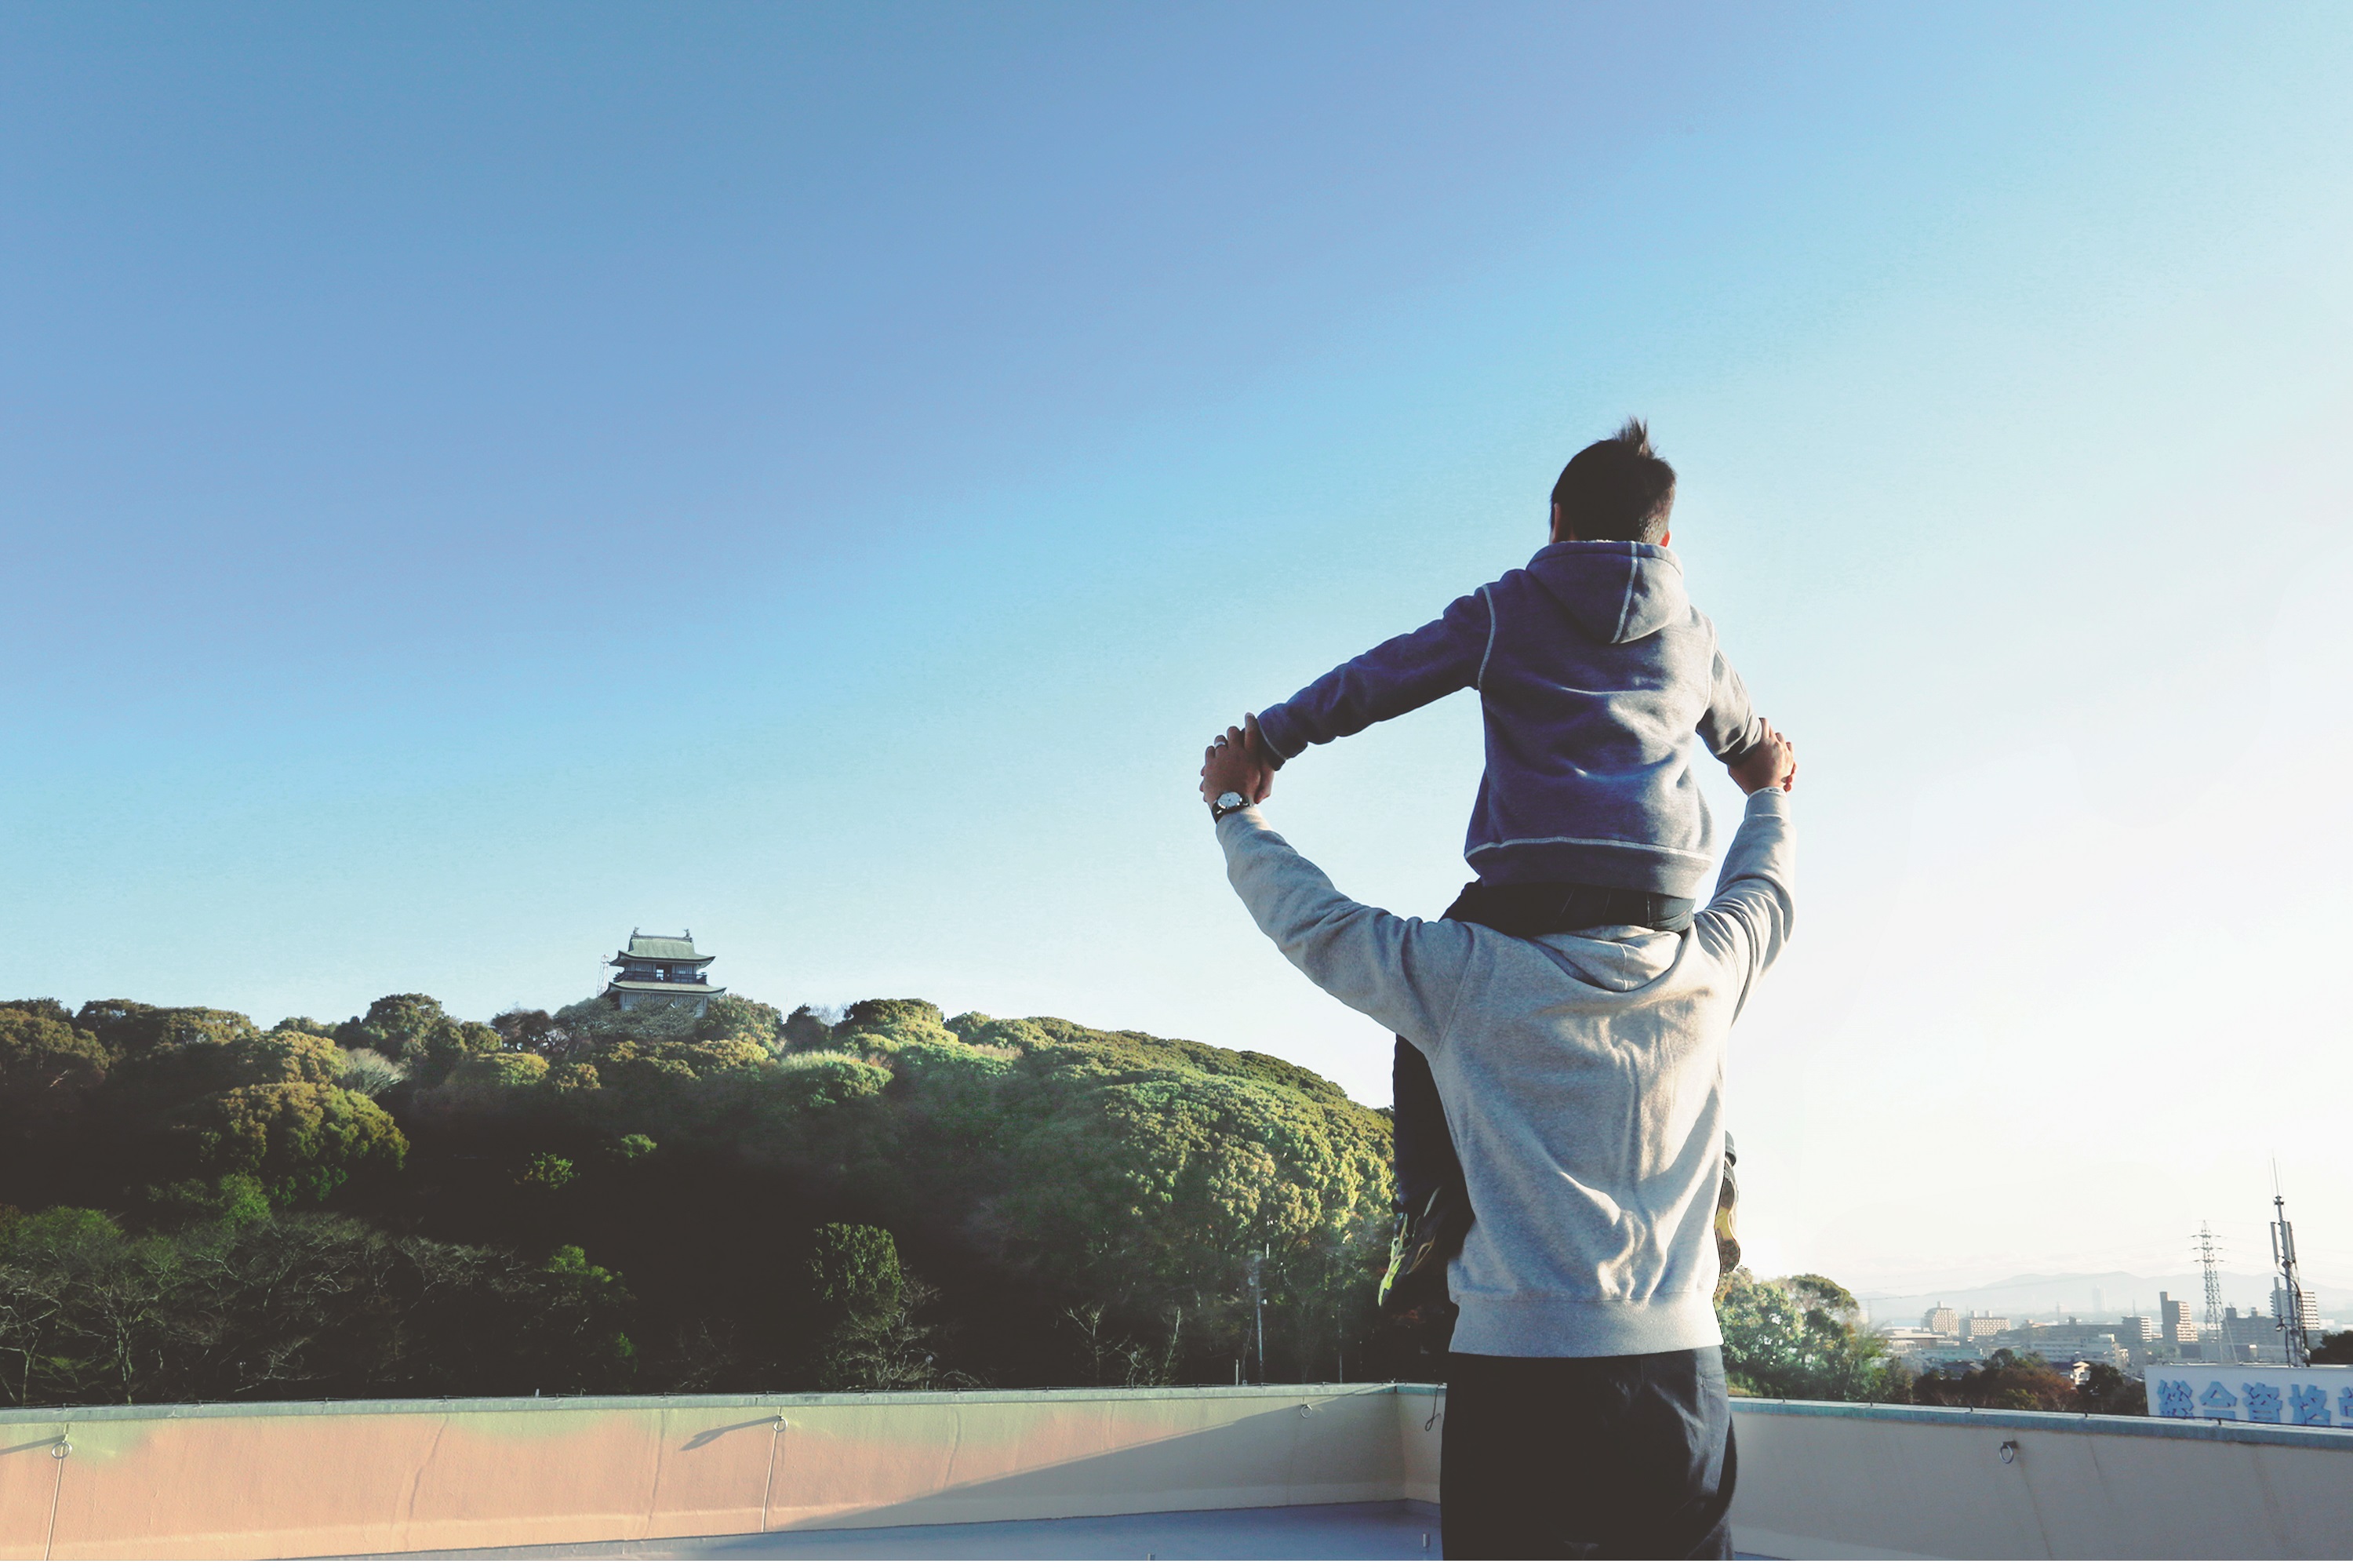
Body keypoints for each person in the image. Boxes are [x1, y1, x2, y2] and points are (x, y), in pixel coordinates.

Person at [1198, 718, 1796, 1559]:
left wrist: (1235, 806)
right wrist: (1766, 791)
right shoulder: (1705, 967)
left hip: (1519, 1368)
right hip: (1681, 1362)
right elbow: (1764, 888)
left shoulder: (1467, 973)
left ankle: (1426, 1219)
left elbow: (1316, 922)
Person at [1228, 420, 1767, 1315]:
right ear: (1665, 538)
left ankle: (1430, 1209)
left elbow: (1380, 676)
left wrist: (1274, 737)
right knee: (1693, 1009)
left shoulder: (1510, 606)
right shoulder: (1695, 634)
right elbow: (1747, 743)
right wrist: (1766, 773)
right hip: (1664, 886)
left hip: (1530, 881)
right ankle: (1716, 1178)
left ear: (1556, 521)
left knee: (1420, 1016)